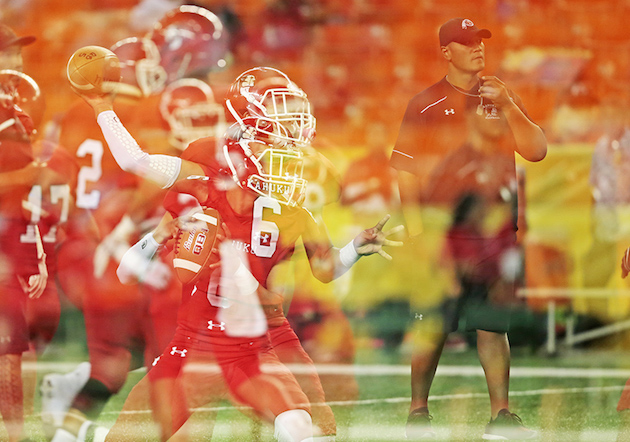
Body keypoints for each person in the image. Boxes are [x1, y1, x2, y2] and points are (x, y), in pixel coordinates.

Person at [76, 65, 401, 441]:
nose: (291, 148)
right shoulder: (205, 186)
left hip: (261, 340)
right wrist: (103, 106)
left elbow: (324, 269)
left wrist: (356, 249)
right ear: (245, 145)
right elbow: (137, 162)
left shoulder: (295, 208)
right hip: (198, 340)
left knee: (311, 428)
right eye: (278, 135)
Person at [390, 18, 547, 440]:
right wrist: (417, 234)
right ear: (446, 51)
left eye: (480, 41)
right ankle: (417, 411)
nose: (477, 48)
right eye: (466, 42)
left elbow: (537, 151)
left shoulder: (502, 96)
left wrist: (510, 106)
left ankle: (501, 415)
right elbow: (404, 172)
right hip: (443, 236)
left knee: (493, 326)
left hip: (494, 237)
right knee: (432, 326)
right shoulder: (423, 103)